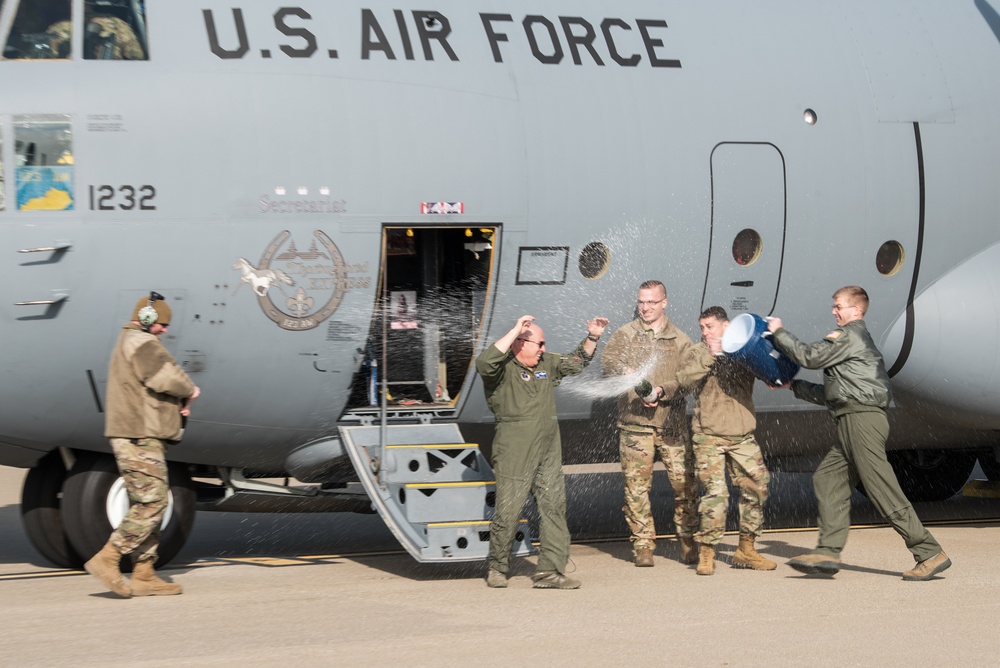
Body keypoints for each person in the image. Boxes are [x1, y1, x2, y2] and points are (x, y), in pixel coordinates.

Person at [768, 285, 951, 580]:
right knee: (828, 478)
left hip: (861, 420)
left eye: (839, 306)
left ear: (856, 310)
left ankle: (928, 551)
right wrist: (795, 387)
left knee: (881, 489)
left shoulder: (850, 335)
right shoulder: (851, 342)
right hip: (852, 418)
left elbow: (810, 356)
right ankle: (827, 553)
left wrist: (779, 332)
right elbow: (835, 393)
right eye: (834, 306)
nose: (834, 311)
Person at [477, 314, 608, 589]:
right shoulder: (501, 369)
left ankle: (549, 571)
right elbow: (484, 363)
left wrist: (593, 336)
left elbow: (576, 362)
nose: (543, 349)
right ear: (520, 343)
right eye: (539, 344)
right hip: (515, 450)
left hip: (548, 450)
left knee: (554, 508)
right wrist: (515, 329)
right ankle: (498, 567)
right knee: (508, 510)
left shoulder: (546, 364)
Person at [84, 292, 200, 597]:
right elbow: (164, 377)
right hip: (138, 436)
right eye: (162, 323)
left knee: (147, 501)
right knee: (153, 501)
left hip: (139, 434)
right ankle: (108, 558)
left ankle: (144, 573)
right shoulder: (141, 342)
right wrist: (189, 389)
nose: (165, 329)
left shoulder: (132, 342)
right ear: (147, 319)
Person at [601, 280, 698, 567]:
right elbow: (609, 363)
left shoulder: (681, 340)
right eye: (642, 302)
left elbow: (688, 378)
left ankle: (687, 539)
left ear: (664, 303)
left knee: (684, 485)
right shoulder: (624, 335)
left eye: (652, 303)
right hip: (635, 425)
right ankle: (643, 545)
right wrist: (625, 372)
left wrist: (661, 392)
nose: (645, 308)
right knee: (636, 488)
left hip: (671, 425)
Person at [677, 306, 775, 575]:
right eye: (702, 328)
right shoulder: (698, 352)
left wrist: (774, 337)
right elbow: (683, 381)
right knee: (716, 495)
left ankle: (746, 549)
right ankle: (707, 551)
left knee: (758, 485)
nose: (705, 332)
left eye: (710, 327)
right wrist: (710, 355)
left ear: (726, 325)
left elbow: (769, 367)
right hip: (708, 435)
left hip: (741, 434)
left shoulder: (741, 348)